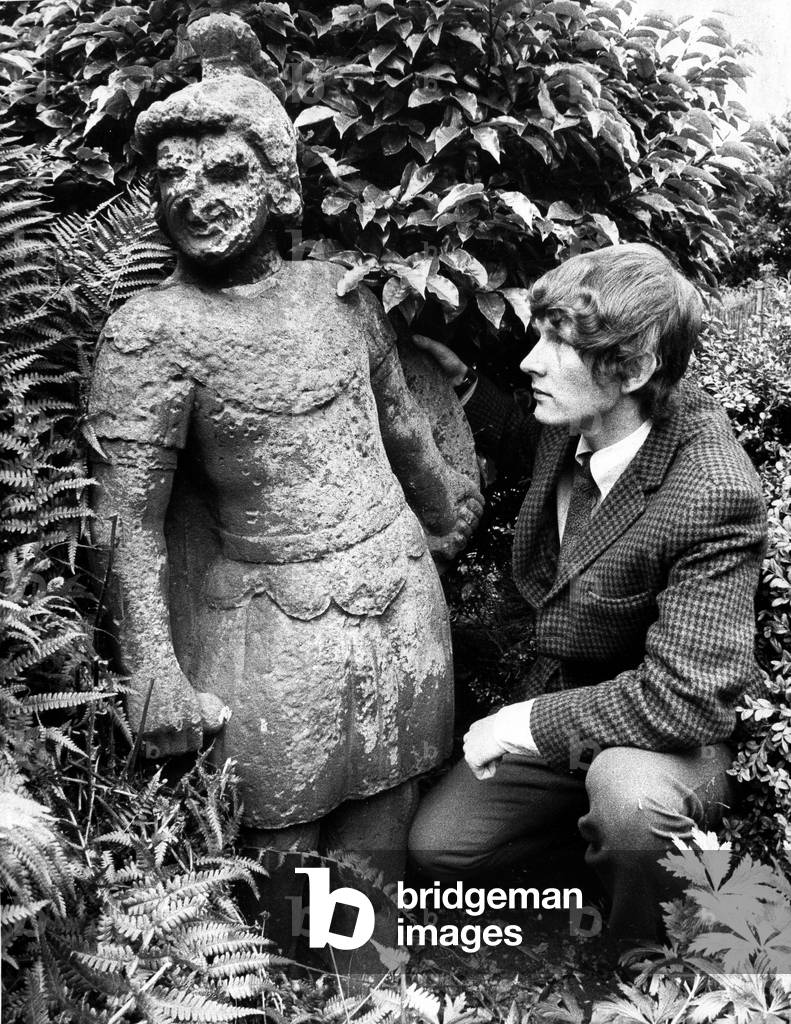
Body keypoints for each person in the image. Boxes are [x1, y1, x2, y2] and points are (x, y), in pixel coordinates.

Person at [88, 14, 482, 877]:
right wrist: (152, 666)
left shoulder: (337, 293)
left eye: (227, 169)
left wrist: (448, 512)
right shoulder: (150, 334)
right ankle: (302, 991)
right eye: (171, 174)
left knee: (389, 802)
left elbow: (400, 426)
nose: (195, 193)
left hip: (398, 586)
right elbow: (125, 518)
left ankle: (376, 986)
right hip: (267, 614)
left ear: (278, 187)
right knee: (281, 834)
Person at [408, 243, 767, 942]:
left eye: (557, 344)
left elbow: (686, 699)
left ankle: (668, 955)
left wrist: (523, 723)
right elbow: (531, 451)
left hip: (662, 743)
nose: (529, 362)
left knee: (628, 800)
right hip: (576, 716)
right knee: (438, 849)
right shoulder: (590, 414)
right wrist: (463, 392)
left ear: (630, 369)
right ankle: (614, 868)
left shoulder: (714, 492)